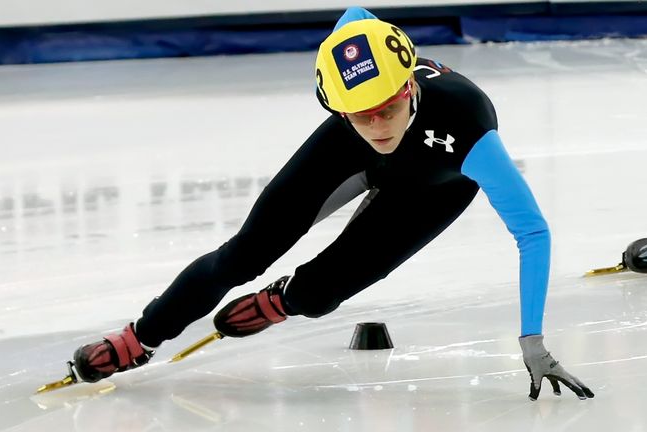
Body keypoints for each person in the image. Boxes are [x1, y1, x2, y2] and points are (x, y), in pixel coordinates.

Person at [70, 7, 594, 401]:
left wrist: (532, 340)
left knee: (322, 293)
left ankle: (283, 301)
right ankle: (139, 337)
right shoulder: (356, 118)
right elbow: (354, 19)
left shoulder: (470, 128)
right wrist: (354, 110)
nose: (377, 126)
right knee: (243, 255)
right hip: (347, 157)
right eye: (359, 115)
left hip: (434, 185)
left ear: (409, 87)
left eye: (387, 110)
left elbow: (533, 233)